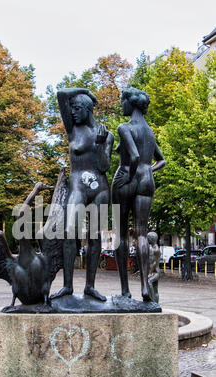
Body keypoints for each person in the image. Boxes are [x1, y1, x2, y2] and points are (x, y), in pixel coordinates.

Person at [51, 88, 114, 301]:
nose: (73, 112)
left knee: (95, 238)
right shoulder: (72, 129)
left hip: (100, 188)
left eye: (77, 109)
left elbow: (104, 166)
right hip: (77, 184)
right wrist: (86, 91)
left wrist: (100, 143)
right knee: (69, 232)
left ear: (87, 110)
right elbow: (61, 95)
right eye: (73, 109)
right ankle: (67, 286)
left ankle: (90, 287)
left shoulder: (107, 133)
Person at [112, 87, 166, 301]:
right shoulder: (150, 132)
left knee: (121, 233)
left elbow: (133, 156)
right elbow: (161, 160)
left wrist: (131, 175)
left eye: (122, 101)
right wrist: (147, 171)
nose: (121, 105)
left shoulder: (124, 127)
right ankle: (144, 287)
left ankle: (125, 290)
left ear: (131, 103)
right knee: (142, 233)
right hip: (146, 180)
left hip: (126, 177)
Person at [147, 232, 160, 303]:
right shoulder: (152, 247)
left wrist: (150, 272)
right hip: (153, 270)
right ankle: (155, 302)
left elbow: (155, 262)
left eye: (148, 238)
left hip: (156, 272)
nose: (147, 240)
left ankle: (152, 301)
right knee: (155, 288)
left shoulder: (156, 249)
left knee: (149, 282)